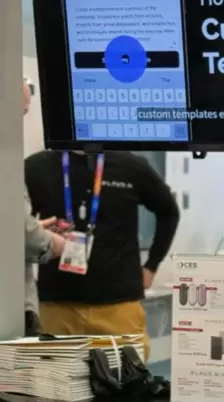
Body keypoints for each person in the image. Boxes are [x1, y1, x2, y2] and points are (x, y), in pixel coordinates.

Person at [25, 150, 180, 359]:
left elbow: (169, 212)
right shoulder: (37, 167)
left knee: (127, 376)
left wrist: (152, 265)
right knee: (54, 377)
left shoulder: (130, 166)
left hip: (118, 303)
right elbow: (16, 225)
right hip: (56, 304)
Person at [23, 80, 65, 335]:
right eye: (20, 112)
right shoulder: (17, 164)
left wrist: (33, 227)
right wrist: (50, 243)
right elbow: (20, 234)